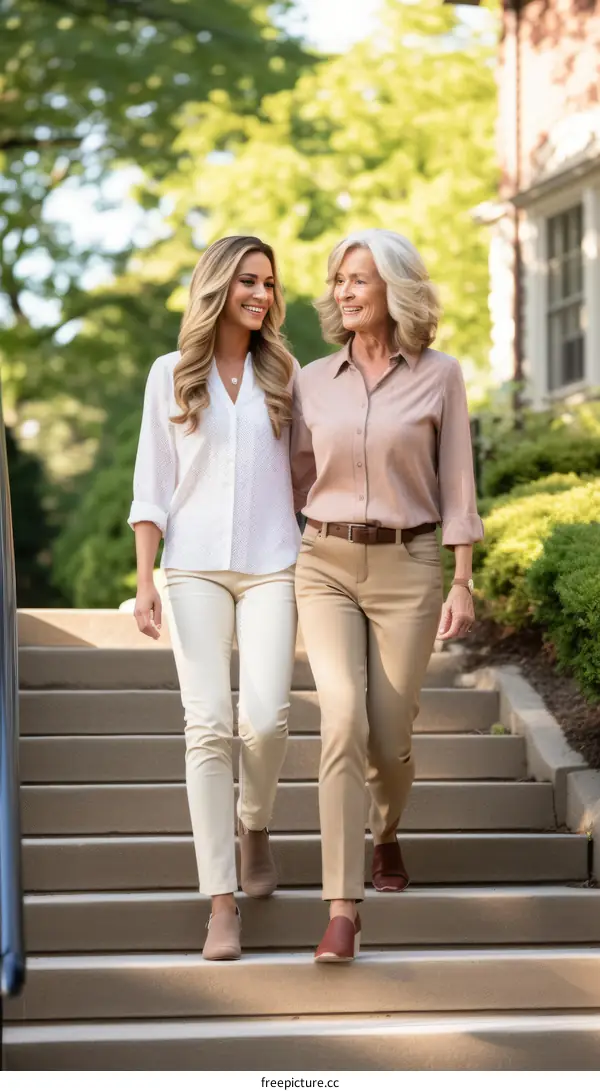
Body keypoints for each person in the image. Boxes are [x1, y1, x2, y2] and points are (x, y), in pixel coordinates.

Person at [291, 228, 484, 962]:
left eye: (359, 279)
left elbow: (458, 480)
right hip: (326, 562)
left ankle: (388, 831)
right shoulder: (310, 379)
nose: (344, 291)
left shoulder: (440, 376)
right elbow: (290, 476)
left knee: (389, 734)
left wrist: (461, 578)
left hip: (409, 565)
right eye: (339, 279)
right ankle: (343, 906)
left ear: (394, 289)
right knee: (339, 717)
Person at [128, 235, 312, 961]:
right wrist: (145, 577)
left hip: (274, 565)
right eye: (247, 280)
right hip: (193, 568)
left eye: (268, 282)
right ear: (217, 287)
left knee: (265, 718)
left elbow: (305, 472)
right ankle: (221, 901)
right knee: (206, 725)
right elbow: (153, 482)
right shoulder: (170, 375)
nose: (261, 293)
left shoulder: (286, 374)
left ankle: (255, 820)